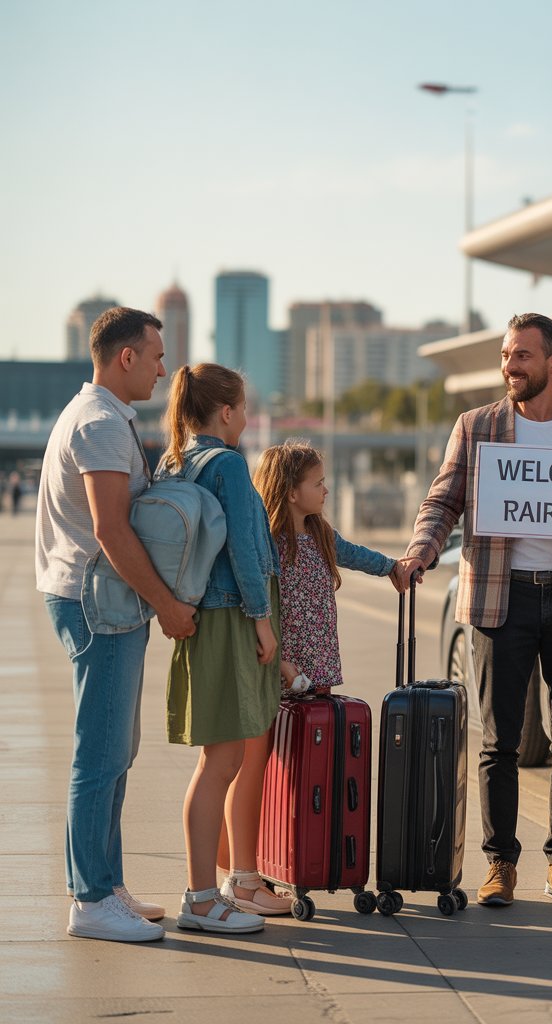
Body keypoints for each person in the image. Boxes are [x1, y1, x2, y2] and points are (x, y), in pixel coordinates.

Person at [399, 312, 552, 908]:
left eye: (523, 356)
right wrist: (419, 551)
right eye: (506, 355)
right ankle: (499, 864)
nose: (510, 366)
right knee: (500, 741)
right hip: (499, 594)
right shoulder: (476, 425)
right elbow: (444, 499)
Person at [35, 306, 196, 943]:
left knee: (116, 751)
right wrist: (166, 604)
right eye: (156, 356)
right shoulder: (100, 423)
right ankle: (92, 899)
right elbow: (110, 528)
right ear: (124, 357)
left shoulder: (101, 416)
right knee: (100, 753)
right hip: (98, 603)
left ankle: (106, 881)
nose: (163, 368)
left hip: (102, 599)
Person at [207, 439, 409, 908]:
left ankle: (275, 861)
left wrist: (392, 569)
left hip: (316, 675)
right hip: (275, 674)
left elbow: (355, 553)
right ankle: (241, 869)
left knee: (295, 775)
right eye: (317, 482)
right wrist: (279, 666)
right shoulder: (269, 543)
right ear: (291, 491)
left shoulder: (319, 534)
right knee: (253, 770)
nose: (326, 489)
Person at [162, 363, 279, 934]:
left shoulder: (175, 460)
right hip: (231, 617)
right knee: (221, 762)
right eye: (244, 407)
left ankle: (210, 892)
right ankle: (202, 897)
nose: (248, 417)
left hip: (198, 618)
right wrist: (262, 620)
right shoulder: (228, 464)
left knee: (220, 760)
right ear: (227, 411)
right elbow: (244, 552)